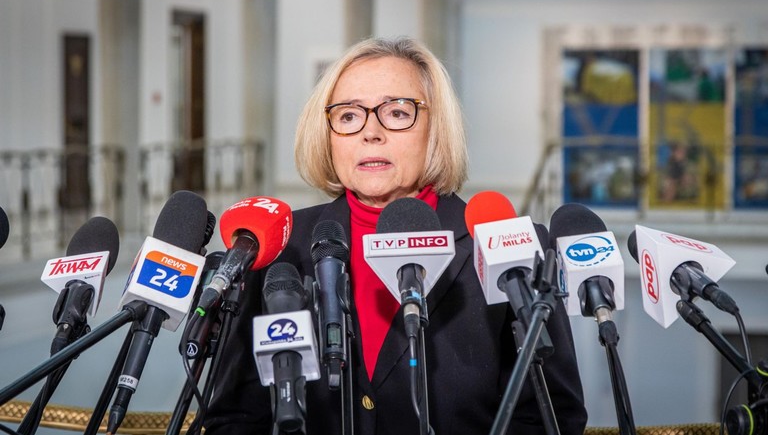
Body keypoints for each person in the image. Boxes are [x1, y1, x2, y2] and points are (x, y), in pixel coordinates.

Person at [203, 36, 587, 435]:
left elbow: (551, 418)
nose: (370, 132)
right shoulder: (279, 246)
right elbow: (234, 418)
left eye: (398, 112)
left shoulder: (509, 248)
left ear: (435, 129)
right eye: (349, 116)